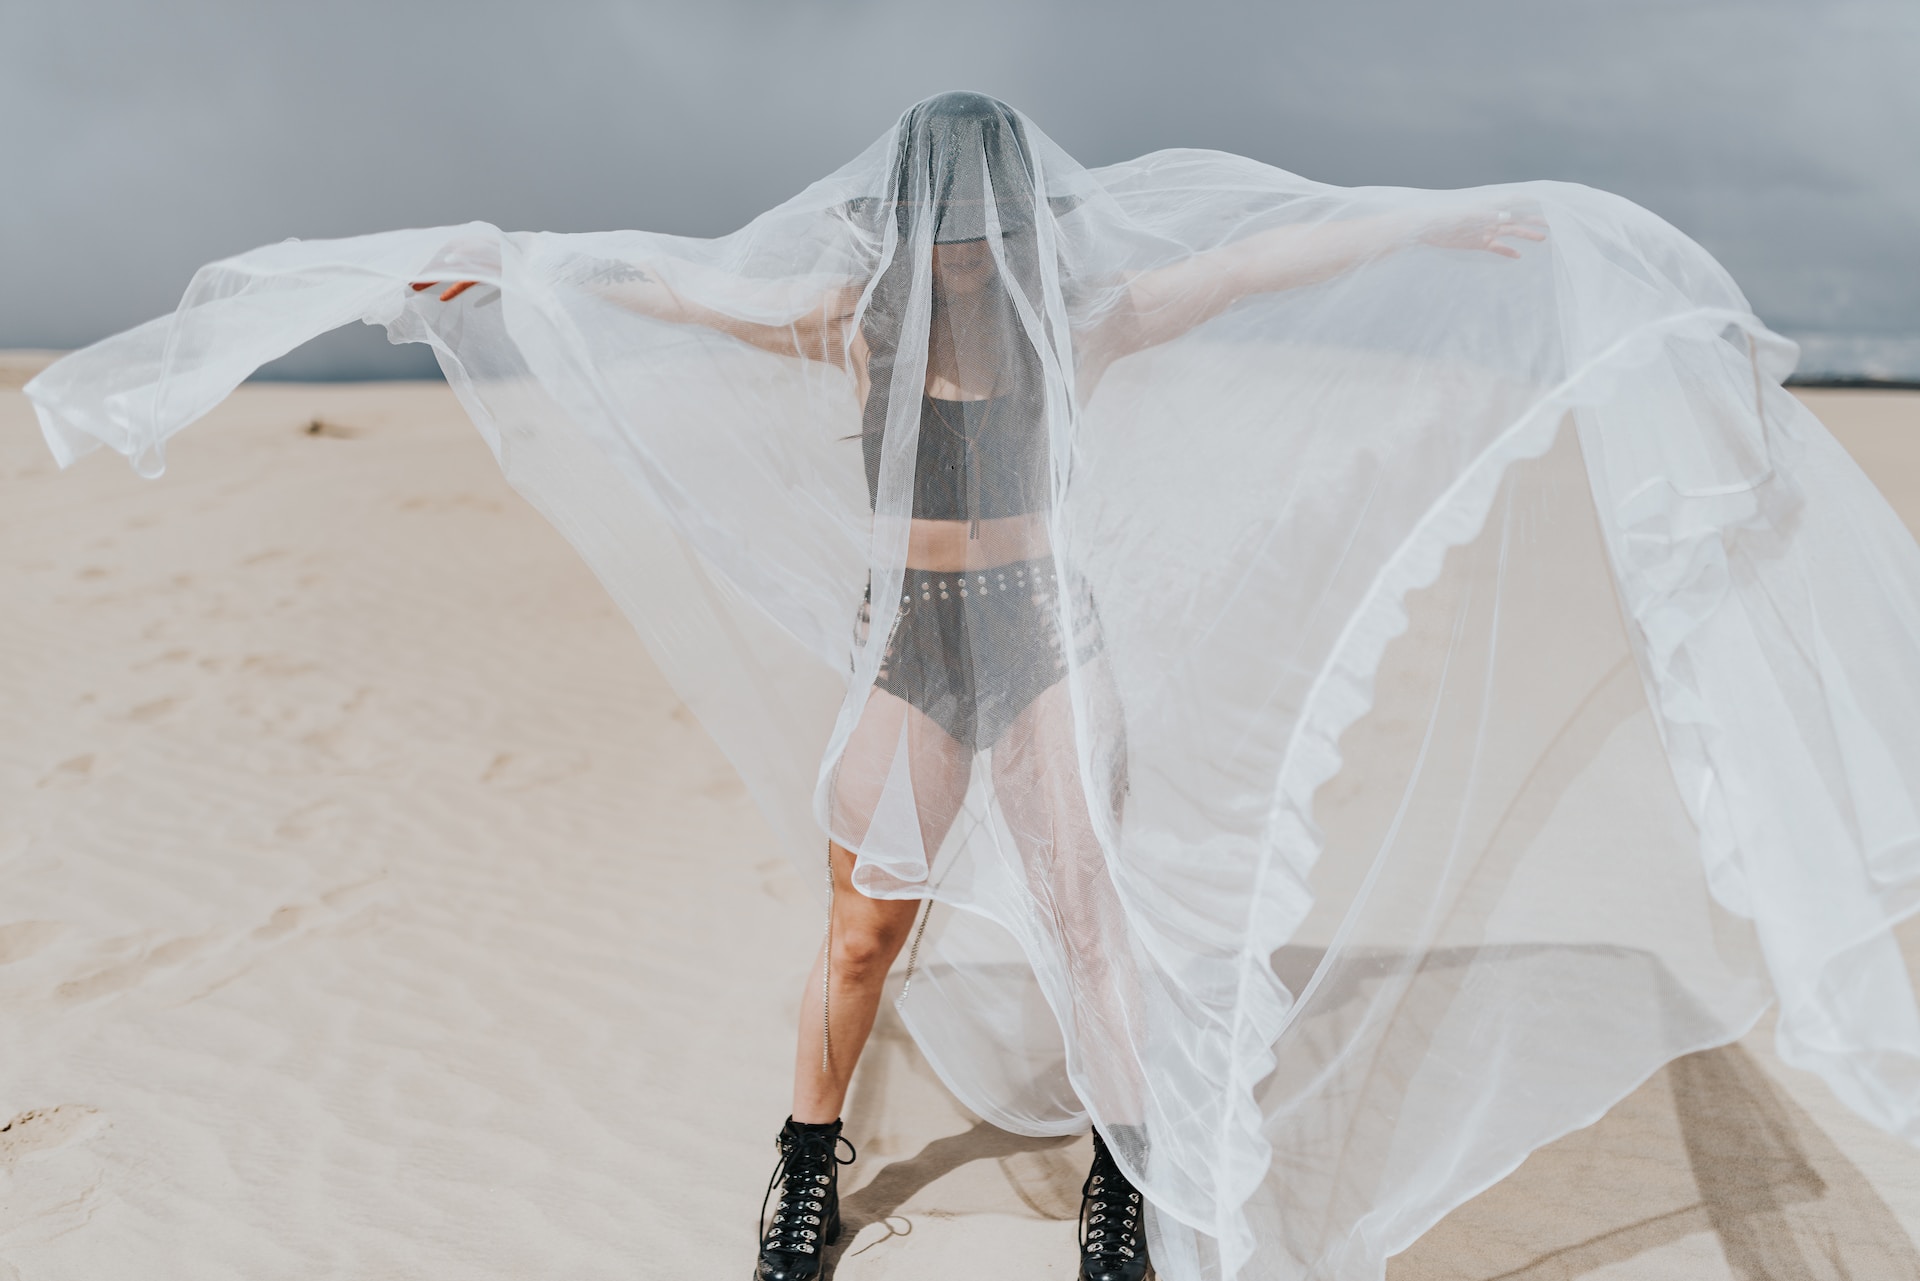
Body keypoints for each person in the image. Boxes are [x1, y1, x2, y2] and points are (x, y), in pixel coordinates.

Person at [28, 90, 1920, 1281]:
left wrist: (1437, 223)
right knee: (862, 933)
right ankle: (804, 1164)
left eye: (977, 217)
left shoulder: (1076, 313)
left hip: (1045, 631)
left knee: (1095, 919)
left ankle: (1120, 1175)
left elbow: (1264, 263)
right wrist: (497, 280)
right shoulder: (843, 312)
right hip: (911, 642)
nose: (957, 243)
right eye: (941, 216)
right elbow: (649, 285)